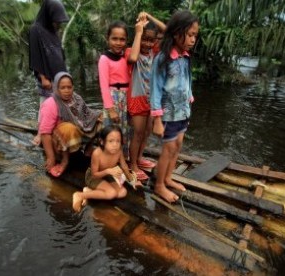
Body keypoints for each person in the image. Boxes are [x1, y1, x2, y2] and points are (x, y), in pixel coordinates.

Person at [150, 10, 199, 203]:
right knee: (168, 149)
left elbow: (187, 79)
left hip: (183, 110)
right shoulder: (162, 59)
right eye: (190, 34)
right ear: (177, 33)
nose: (193, 39)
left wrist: (190, 96)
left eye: (195, 35)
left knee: (178, 145)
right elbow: (155, 90)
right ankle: (159, 185)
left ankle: (168, 178)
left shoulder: (185, 56)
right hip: (168, 113)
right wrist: (156, 120)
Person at [38, 72, 102, 177]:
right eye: (63, 88)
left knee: (100, 118)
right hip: (58, 143)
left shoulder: (76, 99)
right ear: (56, 88)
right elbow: (45, 133)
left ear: (73, 87)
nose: (67, 91)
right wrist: (51, 158)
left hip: (75, 136)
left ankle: (88, 149)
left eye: (69, 87)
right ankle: (64, 160)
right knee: (68, 128)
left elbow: (88, 115)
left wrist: (99, 116)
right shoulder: (50, 104)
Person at [127, 12, 166, 181]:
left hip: (150, 100)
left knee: (147, 132)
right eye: (145, 39)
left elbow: (167, 31)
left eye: (152, 40)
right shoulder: (132, 50)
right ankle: (132, 164)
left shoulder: (154, 52)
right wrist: (138, 32)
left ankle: (140, 158)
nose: (148, 43)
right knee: (138, 133)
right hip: (136, 98)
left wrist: (149, 17)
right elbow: (133, 57)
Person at [72, 125, 142, 212]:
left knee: (122, 192)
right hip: (93, 177)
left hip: (107, 176)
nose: (115, 145)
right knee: (111, 193)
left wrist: (132, 181)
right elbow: (94, 174)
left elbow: (124, 166)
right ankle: (80, 195)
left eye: (118, 141)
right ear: (102, 142)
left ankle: (89, 191)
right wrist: (108, 171)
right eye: (111, 141)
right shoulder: (97, 153)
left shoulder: (119, 151)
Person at [29, 0, 69, 146]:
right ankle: (41, 132)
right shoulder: (35, 29)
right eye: (55, 21)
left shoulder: (53, 31)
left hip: (59, 74)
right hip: (46, 75)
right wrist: (43, 77)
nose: (58, 24)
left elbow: (58, 53)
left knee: (60, 103)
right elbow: (35, 54)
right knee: (45, 104)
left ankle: (56, 128)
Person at [98, 21, 131, 157]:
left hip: (126, 98)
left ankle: (122, 158)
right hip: (113, 98)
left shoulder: (127, 56)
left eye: (122, 39)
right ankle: (108, 159)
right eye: (114, 38)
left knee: (125, 131)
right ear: (108, 39)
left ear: (126, 40)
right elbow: (104, 86)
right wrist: (111, 110)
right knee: (112, 133)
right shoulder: (104, 59)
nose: (118, 42)